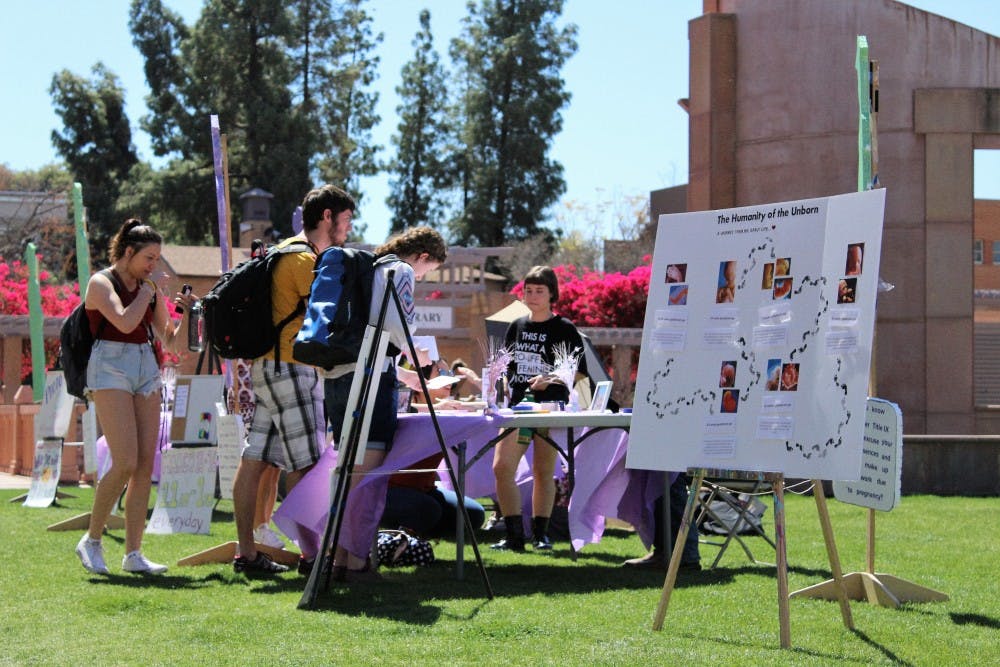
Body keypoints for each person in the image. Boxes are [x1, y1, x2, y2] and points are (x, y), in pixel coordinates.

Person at [230, 184, 355, 576]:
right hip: (292, 369)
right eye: (346, 220)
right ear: (327, 218)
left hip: (268, 367)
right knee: (309, 463)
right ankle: (314, 557)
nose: (348, 230)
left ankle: (247, 553)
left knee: (255, 459)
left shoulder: (281, 250)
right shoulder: (306, 260)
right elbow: (332, 316)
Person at [325, 225, 448, 579]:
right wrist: (418, 354)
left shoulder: (368, 268)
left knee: (346, 470)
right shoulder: (402, 271)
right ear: (422, 257)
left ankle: (337, 557)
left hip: (339, 374)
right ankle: (357, 560)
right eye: (429, 271)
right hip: (370, 379)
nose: (423, 277)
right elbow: (399, 327)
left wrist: (404, 371)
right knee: (368, 476)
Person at [75, 219, 195, 575]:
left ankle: (133, 554)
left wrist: (186, 312)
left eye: (157, 259)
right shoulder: (101, 283)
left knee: (144, 465)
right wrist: (149, 290)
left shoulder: (149, 288)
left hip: (145, 366)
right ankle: (92, 540)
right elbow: (125, 323)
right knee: (125, 461)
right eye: (148, 258)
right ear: (128, 252)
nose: (153, 266)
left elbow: (171, 342)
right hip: (109, 367)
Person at [491, 265, 587, 552]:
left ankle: (541, 535)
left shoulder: (564, 328)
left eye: (539, 291)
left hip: (550, 406)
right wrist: (500, 383)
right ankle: (513, 535)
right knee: (502, 467)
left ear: (552, 294)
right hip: (519, 409)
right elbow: (506, 366)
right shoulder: (516, 325)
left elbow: (579, 372)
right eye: (528, 291)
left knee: (544, 471)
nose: (532, 296)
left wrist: (550, 379)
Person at [380, 453, 485, 538]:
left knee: (473, 515)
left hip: (426, 490)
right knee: (428, 509)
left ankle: (417, 535)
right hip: (384, 490)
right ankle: (400, 537)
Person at [622, 474, 701, 571]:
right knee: (660, 473)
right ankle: (664, 551)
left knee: (667, 477)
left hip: (712, 467)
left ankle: (684, 555)